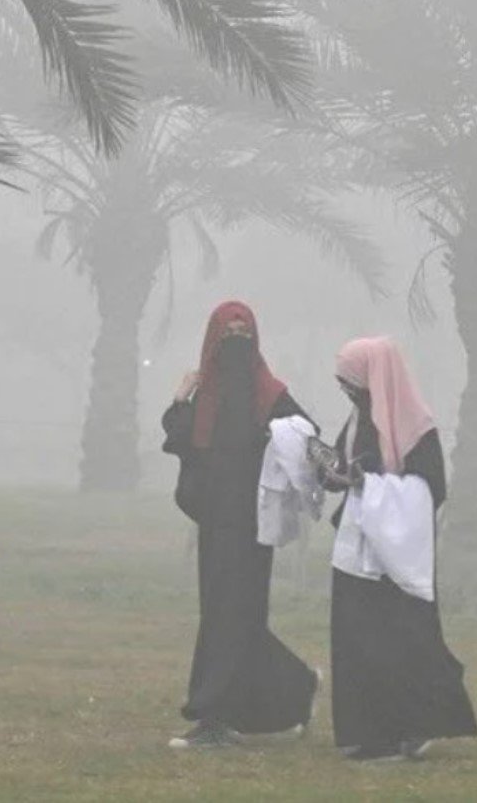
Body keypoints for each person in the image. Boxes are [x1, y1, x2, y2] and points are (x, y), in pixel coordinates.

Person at [160, 300, 320, 750]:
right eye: (227, 331)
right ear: (214, 338)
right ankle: (297, 686)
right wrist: (180, 397)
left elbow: (306, 434)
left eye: (242, 330)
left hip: (253, 527)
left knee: (233, 618)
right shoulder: (204, 395)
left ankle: (212, 718)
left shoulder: (268, 393)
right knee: (229, 618)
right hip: (215, 525)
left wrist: (277, 439)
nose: (235, 338)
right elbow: (181, 440)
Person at [320, 336, 477, 763]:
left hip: (397, 557)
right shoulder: (357, 421)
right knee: (359, 643)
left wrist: (370, 487)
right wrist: (331, 473)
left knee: (400, 643)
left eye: (351, 384)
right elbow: (341, 465)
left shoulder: (416, 427)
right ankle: (371, 731)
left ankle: (400, 731)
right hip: (359, 553)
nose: (347, 392)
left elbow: (429, 488)